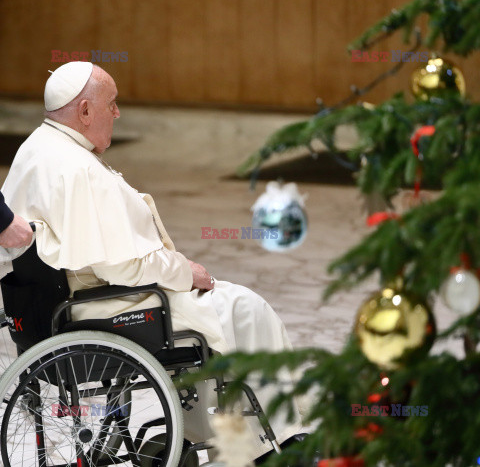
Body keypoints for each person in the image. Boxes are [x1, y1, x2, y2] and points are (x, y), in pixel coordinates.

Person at [1, 62, 305, 462]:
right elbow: (121, 266)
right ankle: (276, 441)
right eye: (112, 103)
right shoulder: (75, 168)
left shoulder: (39, 147)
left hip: (79, 298)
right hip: (110, 301)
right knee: (243, 307)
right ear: (85, 110)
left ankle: (212, 437)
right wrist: (183, 271)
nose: (118, 113)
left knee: (228, 307)